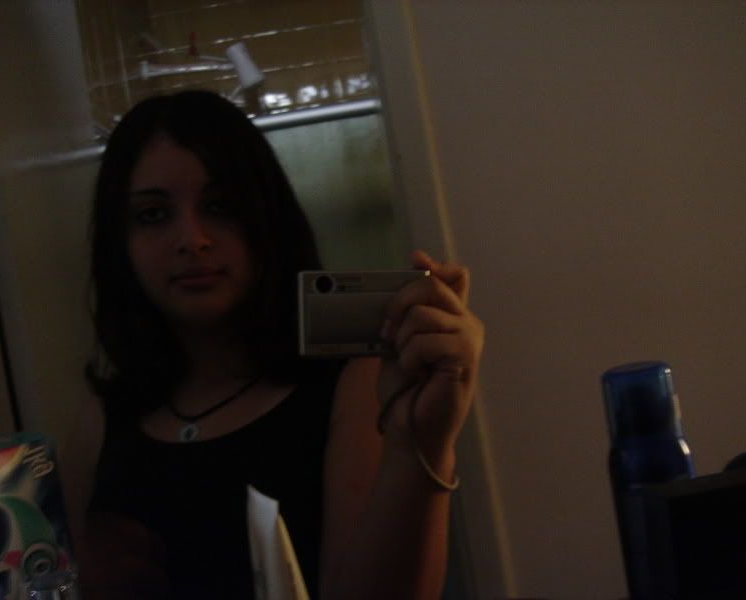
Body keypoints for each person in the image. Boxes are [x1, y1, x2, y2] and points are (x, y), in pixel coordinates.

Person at [61, 89, 484, 600]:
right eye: (152, 214)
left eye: (220, 206)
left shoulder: (353, 386)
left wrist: (422, 442)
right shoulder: (102, 417)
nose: (192, 239)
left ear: (266, 218)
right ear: (119, 242)